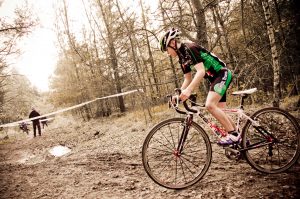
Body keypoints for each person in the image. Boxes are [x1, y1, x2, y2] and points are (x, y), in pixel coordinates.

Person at [159, 28, 238, 145]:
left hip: (222, 73)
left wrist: (189, 90)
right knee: (221, 112)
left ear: (172, 43)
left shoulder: (189, 48)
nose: (167, 53)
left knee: (210, 105)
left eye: (167, 49)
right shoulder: (182, 57)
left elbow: (200, 72)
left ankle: (234, 135)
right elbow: (187, 78)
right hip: (215, 79)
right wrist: (179, 95)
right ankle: (240, 140)